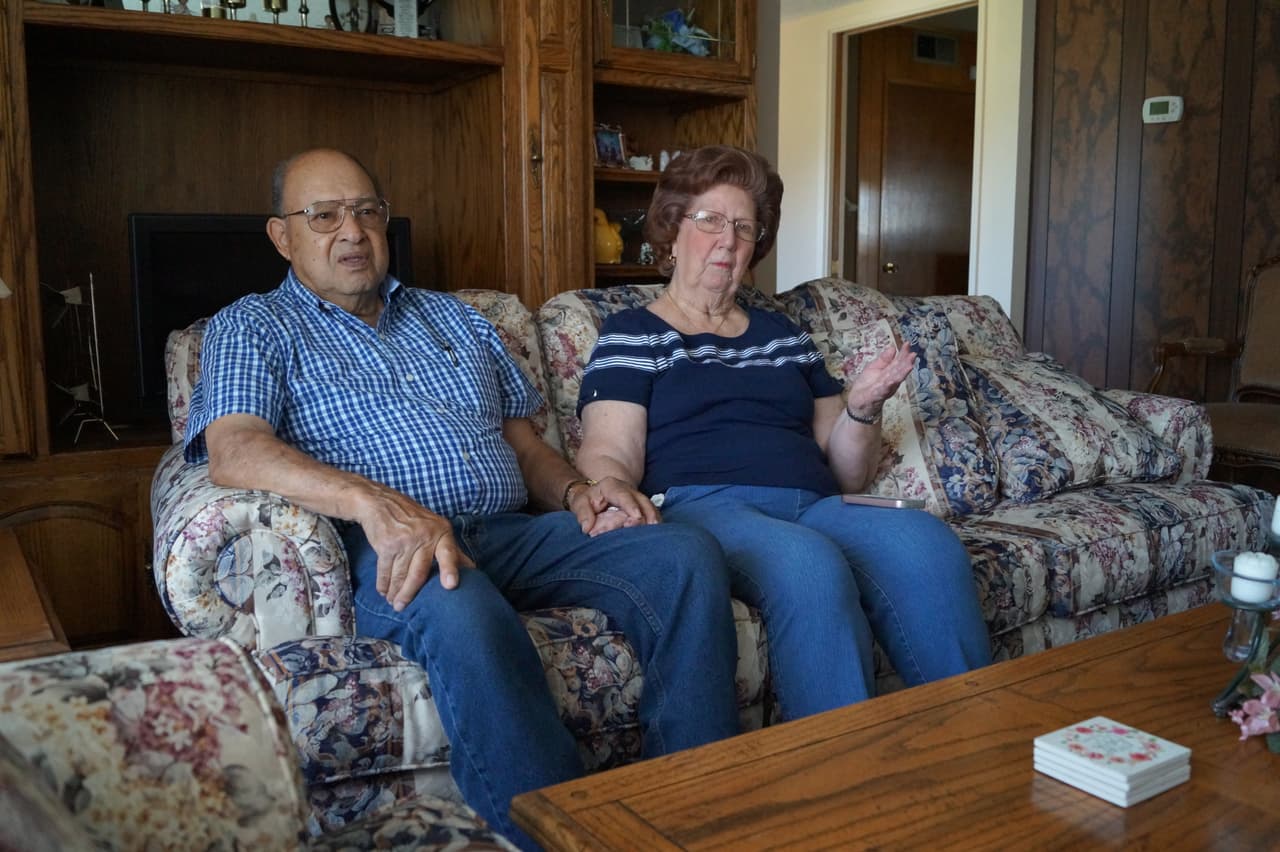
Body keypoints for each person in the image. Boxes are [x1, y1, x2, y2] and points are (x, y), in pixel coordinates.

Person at [182, 148, 740, 849]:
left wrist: (578, 492)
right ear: (282, 235)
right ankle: (563, 836)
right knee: (459, 598)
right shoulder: (252, 326)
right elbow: (236, 451)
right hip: (387, 547)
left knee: (682, 552)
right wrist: (374, 505)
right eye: (323, 216)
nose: (351, 232)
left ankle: (696, 808)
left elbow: (528, 448)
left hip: (509, 530)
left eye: (366, 211)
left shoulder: (459, 319)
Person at [576, 144, 992, 722]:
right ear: (671, 234)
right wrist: (612, 492)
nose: (728, 239)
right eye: (710, 221)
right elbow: (608, 451)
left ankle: (976, 747)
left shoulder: (784, 335)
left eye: (744, 227)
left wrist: (864, 407)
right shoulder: (632, 333)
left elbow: (845, 472)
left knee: (926, 543)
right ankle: (840, 780)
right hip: (706, 507)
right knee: (807, 565)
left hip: (815, 503)